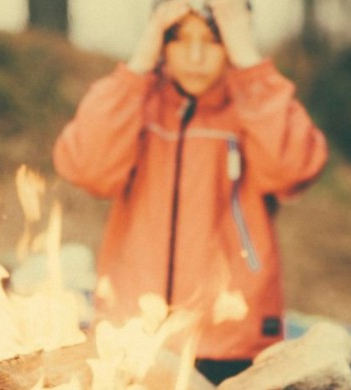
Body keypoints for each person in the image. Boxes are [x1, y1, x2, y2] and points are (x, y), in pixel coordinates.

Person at [52, 0, 327, 384]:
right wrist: (139, 63)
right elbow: (85, 167)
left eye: (212, 40)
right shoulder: (138, 104)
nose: (196, 56)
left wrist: (247, 60)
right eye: (179, 39)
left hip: (231, 341)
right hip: (133, 335)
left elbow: (294, 168)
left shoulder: (253, 104)